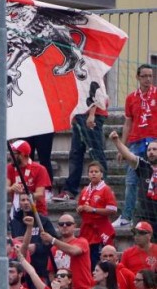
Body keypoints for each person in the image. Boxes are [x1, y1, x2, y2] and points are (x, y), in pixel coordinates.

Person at [117, 64, 157, 227]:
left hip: (154, 141)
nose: (148, 79)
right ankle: (127, 216)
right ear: (138, 77)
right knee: (131, 180)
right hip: (135, 141)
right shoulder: (131, 98)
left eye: (151, 76)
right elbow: (128, 123)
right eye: (145, 76)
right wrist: (123, 146)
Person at [59, 91, 109, 203]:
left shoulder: (90, 72)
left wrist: (92, 114)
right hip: (79, 114)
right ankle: (70, 191)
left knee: (96, 153)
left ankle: (103, 189)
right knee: (76, 153)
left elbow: (95, 88)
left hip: (92, 114)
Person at [111, 130, 157, 229]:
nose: (151, 152)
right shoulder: (144, 166)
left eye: (154, 149)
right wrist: (117, 142)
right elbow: (130, 157)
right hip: (145, 218)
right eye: (149, 150)